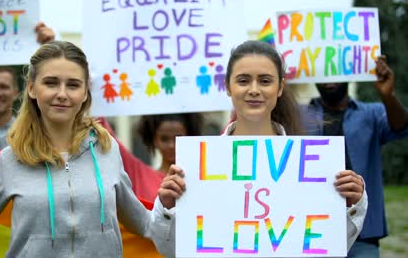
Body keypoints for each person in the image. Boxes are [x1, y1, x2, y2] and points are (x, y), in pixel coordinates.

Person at [0, 41, 185, 257]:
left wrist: (164, 204)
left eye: (73, 85)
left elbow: (144, 225)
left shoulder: (107, 150)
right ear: (31, 89)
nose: (62, 94)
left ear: (84, 93)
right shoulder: (11, 159)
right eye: (50, 83)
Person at [164, 40, 368, 254]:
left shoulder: (311, 166)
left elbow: (328, 244)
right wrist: (167, 207)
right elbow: (171, 247)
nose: (254, 90)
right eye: (243, 81)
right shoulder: (197, 166)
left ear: (279, 88)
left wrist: (355, 203)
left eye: (265, 81)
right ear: (227, 87)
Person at [303, 57, 408, 258]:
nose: (329, 80)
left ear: (350, 75)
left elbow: (402, 127)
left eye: (335, 73)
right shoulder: (298, 114)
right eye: (323, 74)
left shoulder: (372, 112)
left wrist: (388, 96)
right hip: (312, 229)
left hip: (363, 232)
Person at [138, 113, 203, 175]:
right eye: (164, 139)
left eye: (178, 138)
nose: (171, 146)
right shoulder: (143, 178)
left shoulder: (201, 179)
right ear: (154, 140)